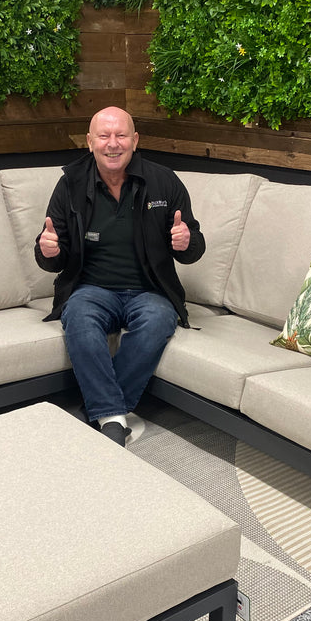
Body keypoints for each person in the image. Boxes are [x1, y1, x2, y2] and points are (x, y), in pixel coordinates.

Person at [34, 106, 206, 446]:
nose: (113, 144)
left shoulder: (164, 181)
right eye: (104, 136)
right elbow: (54, 253)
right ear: (90, 142)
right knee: (79, 316)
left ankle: (103, 411)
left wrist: (187, 242)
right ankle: (114, 421)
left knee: (159, 319)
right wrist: (48, 251)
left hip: (149, 291)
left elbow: (193, 247)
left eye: (121, 135)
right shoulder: (70, 183)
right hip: (91, 289)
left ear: (135, 140)